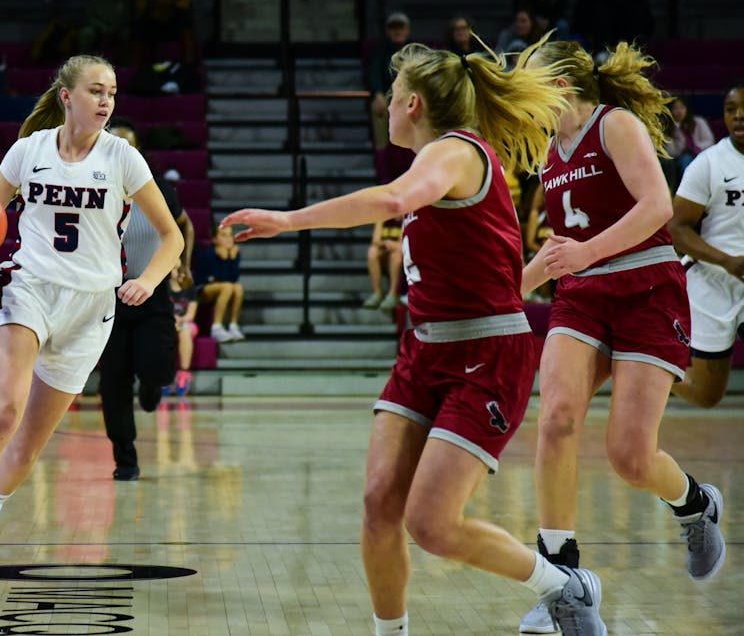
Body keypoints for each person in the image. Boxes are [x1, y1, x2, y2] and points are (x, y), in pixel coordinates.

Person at [222, 38, 608, 636]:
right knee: (379, 503)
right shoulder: (435, 159)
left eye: (393, 95)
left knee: (432, 524)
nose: (384, 104)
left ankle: (564, 585)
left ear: (414, 104)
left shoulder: (456, 152)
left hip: (486, 353)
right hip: (425, 348)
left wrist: (289, 220)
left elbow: (395, 198)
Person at [0, 54, 183, 585]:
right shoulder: (29, 150)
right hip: (27, 287)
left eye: (113, 93)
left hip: (91, 307)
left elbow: (173, 237)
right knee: (5, 412)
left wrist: (147, 279)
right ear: (66, 96)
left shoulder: (124, 158)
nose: (106, 102)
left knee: (31, 438)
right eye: (96, 91)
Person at [517, 39, 726, 634]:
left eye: (528, 83)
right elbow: (560, 251)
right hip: (583, 296)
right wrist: (501, 297)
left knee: (630, 457)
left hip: (646, 291)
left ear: (557, 86)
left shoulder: (616, 125)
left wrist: (584, 252)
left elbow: (657, 204)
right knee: (555, 417)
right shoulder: (548, 149)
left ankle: (694, 505)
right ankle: (563, 580)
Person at [97, 117, 195, 482]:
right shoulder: (92, 192)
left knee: (156, 368)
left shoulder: (159, 190)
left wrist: (181, 265)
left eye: (128, 145)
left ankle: (153, 387)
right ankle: (125, 459)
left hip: (152, 293)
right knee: (113, 384)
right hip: (107, 301)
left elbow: (183, 226)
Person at [667, 82, 744, 409]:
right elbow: (677, 229)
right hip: (715, 279)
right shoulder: (709, 163)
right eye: (731, 109)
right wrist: (727, 261)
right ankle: (646, 368)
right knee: (706, 395)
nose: (739, 116)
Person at [572, 0, 653, 61]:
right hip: (601, 32)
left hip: (625, 28)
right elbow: (582, 10)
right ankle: (602, 51)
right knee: (599, 11)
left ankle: (630, 49)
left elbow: (643, 9)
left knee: (634, 11)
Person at [368, 13, 414, 151]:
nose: (397, 31)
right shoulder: (380, 51)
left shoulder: (415, 50)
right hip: (389, 97)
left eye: (401, 27)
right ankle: (382, 151)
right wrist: (377, 94)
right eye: (393, 28)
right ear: (388, 31)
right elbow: (374, 74)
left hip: (412, 97)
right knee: (378, 108)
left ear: (407, 30)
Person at [132, 0, 196, 67]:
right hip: (153, 21)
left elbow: (183, 3)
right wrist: (162, 5)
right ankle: (136, 69)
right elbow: (141, 9)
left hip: (174, 19)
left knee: (184, 19)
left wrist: (159, 5)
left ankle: (189, 64)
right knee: (137, 26)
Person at [194, 225, 245, 343]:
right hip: (201, 289)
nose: (228, 239)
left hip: (223, 287)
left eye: (230, 235)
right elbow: (210, 278)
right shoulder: (208, 254)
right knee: (227, 287)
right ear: (214, 239)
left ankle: (233, 325)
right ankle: (216, 327)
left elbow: (234, 278)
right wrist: (223, 259)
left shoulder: (234, 253)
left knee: (238, 288)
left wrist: (230, 259)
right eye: (223, 235)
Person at [661, 95, 716, 193]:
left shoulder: (699, 122)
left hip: (700, 155)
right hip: (679, 160)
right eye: (675, 108)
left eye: (681, 108)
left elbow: (710, 142)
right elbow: (671, 153)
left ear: (687, 109)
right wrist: (680, 141)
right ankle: (687, 192)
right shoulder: (669, 128)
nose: (679, 111)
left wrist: (695, 148)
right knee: (685, 159)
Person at [361, 216, 403, 311]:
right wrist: (387, 243)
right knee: (372, 251)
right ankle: (377, 293)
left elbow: (402, 243)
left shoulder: (406, 217)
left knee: (396, 255)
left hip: (399, 253)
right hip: (386, 249)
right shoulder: (383, 217)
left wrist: (389, 244)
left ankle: (392, 294)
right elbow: (375, 240)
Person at [168, 267, 197, 397]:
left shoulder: (190, 289)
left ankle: (184, 373)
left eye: (181, 269)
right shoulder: (163, 287)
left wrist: (180, 320)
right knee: (163, 330)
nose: (179, 272)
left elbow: (191, 314)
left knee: (185, 331)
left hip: (186, 322)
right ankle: (164, 374)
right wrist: (172, 320)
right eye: (175, 269)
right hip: (167, 321)